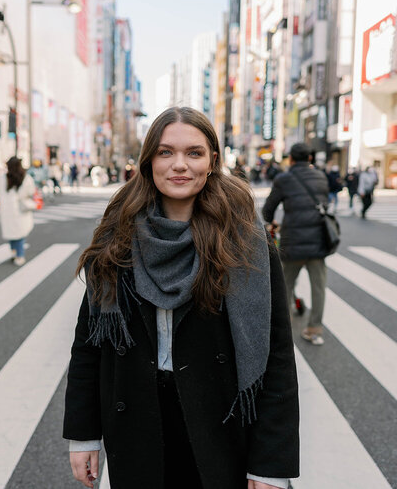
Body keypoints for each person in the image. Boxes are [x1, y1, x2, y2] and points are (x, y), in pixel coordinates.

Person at [64, 107, 299, 489]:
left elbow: (276, 354)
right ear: (148, 161)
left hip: (219, 420)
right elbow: (90, 344)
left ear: (212, 162)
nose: (179, 165)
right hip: (137, 419)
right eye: (165, 152)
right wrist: (84, 435)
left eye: (194, 153)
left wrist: (270, 464)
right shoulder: (118, 235)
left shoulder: (244, 240)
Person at [263, 142, 331, 346]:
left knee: (284, 286)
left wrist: (274, 223)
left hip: (293, 242)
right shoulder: (321, 176)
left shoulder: (284, 179)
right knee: (318, 287)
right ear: (309, 159)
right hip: (319, 240)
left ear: (291, 159)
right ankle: (315, 329)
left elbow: (268, 210)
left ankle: (283, 331)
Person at [0, 157, 36, 266]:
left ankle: (14, 252)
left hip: (7, 210)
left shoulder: (2, 178)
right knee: (20, 234)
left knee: (11, 232)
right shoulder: (26, 178)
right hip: (21, 209)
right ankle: (20, 255)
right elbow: (31, 191)